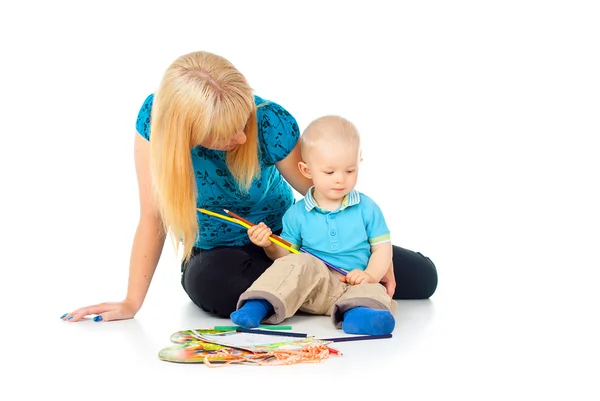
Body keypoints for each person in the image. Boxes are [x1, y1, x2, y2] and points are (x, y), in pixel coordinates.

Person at [60, 50, 438, 323]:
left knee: (423, 278)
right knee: (215, 284)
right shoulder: (154, 123)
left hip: (287, 244)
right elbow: (152, 217)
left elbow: (325, 195)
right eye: (225, 134)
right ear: (188, 133)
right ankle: (333, 295)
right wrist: (131, 302)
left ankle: (311, 289)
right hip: (218, 252)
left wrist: (376, 256)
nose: (242, 137)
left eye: (243, 121)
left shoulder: (269, 121)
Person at [231, 115, 396, 335]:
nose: (340, 179)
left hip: (356, 284)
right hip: (313, 289)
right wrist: (268, 245)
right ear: (306, 170)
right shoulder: (297, 213)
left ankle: (358, 316)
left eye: (350, 170)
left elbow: (382, 249)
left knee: (375, 290)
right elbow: (286, 255)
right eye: (330, 172)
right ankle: (259, 305)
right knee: (297, 264)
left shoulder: (367, 208)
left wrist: (370, 275)